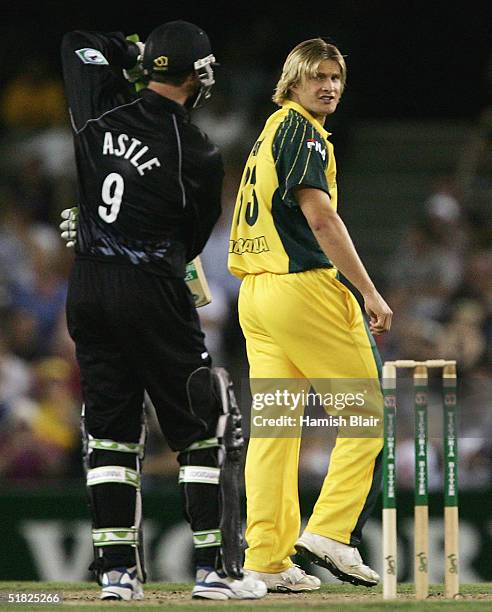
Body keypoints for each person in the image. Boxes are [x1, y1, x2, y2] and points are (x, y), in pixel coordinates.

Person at [60, 21, 266, 601]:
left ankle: (117, 575)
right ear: (197, 77)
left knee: (111, 432)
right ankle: (215, 571)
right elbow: (191, 240)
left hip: (90, 289)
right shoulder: (197, 152)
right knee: (204, 424)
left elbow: (79, 41)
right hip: (151, 292)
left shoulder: (96, 111)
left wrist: (129, 53)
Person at [228, 38, 393, 592]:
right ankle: (331, 531)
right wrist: (368, 290)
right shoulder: (302, 132)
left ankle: (266, 560)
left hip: (257, 295)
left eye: (335, 79)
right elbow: (321, 218)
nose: (328, 86)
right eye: (317, 77)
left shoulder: (269, 132)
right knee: (365, 415)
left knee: (274, 431)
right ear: (293, 83)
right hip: (303, 290)